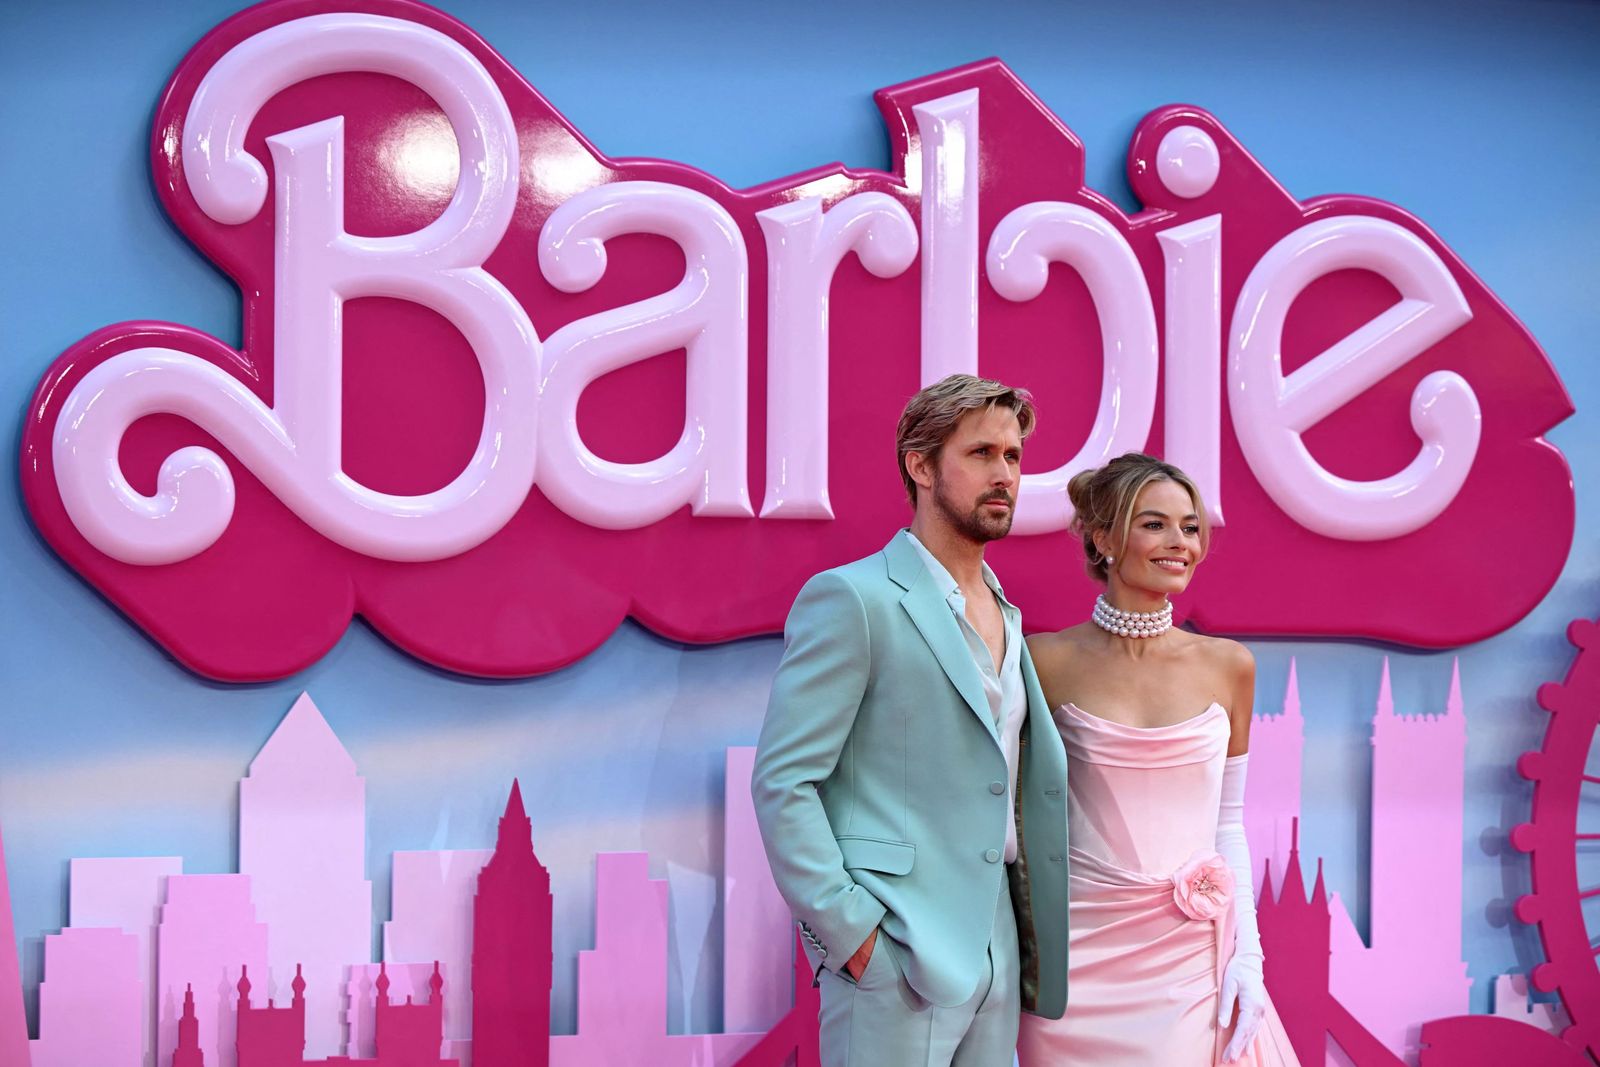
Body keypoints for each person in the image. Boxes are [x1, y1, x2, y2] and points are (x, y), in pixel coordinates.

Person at [751, 374, 1070, 1066]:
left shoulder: (1006, 612)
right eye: (981, 453)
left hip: (996, 946)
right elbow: (784, 780)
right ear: (920, 466)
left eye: (1013, 457)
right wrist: (852, 934)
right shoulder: (853, 598)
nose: (1004, 474)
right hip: (896, 947)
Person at [1017, 452, 1299, 1066]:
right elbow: (1010, 815)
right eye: (1154, 524)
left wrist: (1248, 959)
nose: (1180, 544)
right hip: (1073, 966)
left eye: (1190, 527)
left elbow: (1229, 824)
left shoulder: (1230, 666)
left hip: (1189, 968)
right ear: (1102, 538)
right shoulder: (1042, 662)